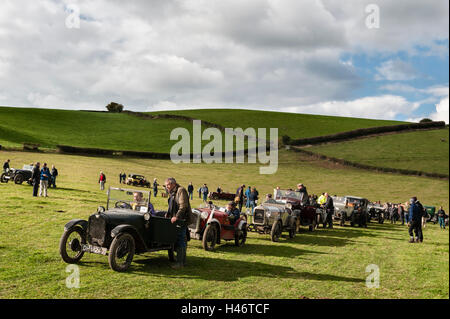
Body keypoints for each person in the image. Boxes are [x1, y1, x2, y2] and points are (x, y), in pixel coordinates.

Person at [164, 177, 193, 269]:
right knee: (178, 239)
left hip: (182, 219)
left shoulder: (181, 190)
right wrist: (168, 214)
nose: (167, 187)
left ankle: (180, 263)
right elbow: (172, 205)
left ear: (173, 184)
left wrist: (177, 216)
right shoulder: (173, 192)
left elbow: (183, 206)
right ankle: (181, 261)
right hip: (177, 219)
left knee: (180, 239)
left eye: (167, 185)